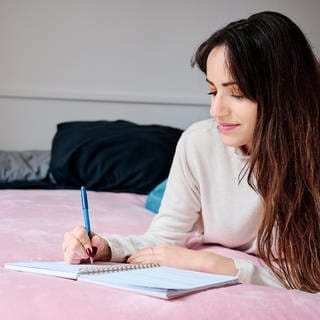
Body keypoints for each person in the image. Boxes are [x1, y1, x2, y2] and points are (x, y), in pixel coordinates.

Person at [62, 11, 320, 293]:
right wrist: (106, 247)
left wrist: (215, 265)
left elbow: (311, 277)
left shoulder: (311, 159)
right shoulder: (199, 142)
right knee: (158, 197)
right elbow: (165, 237)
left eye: (236, 93)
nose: (216, 111)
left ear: (284, 93)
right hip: (188, 187)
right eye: (212, 92)